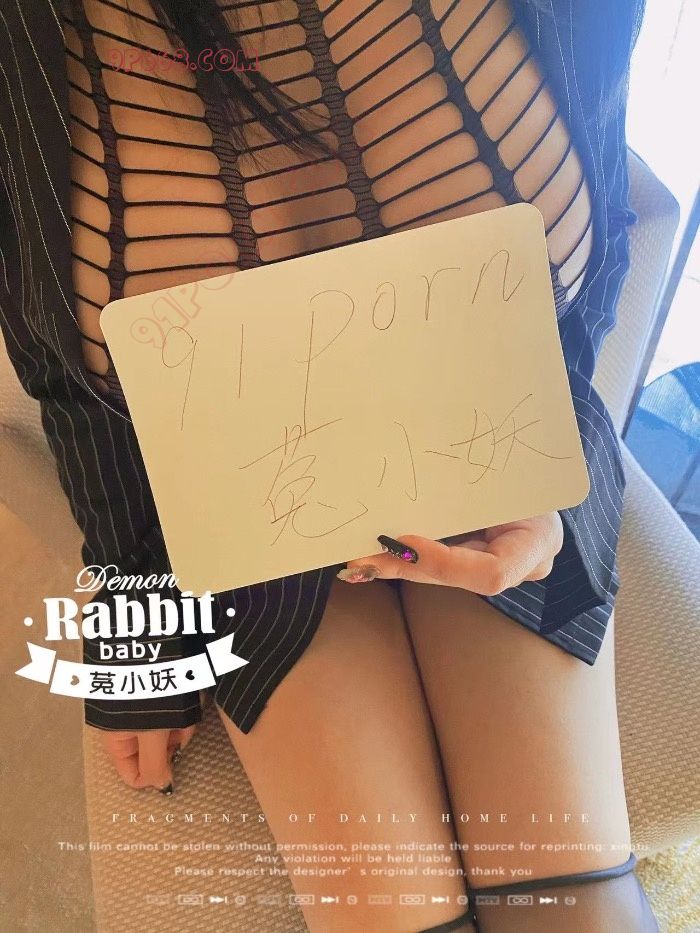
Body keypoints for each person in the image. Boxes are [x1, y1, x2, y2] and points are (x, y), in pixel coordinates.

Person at [0, 0, 659, 929]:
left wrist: (550, 476)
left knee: (571, 904)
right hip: (242, 500)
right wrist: (134, 615)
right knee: (392, 913)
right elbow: (63, 369)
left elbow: (591, 256)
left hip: (492, 452)